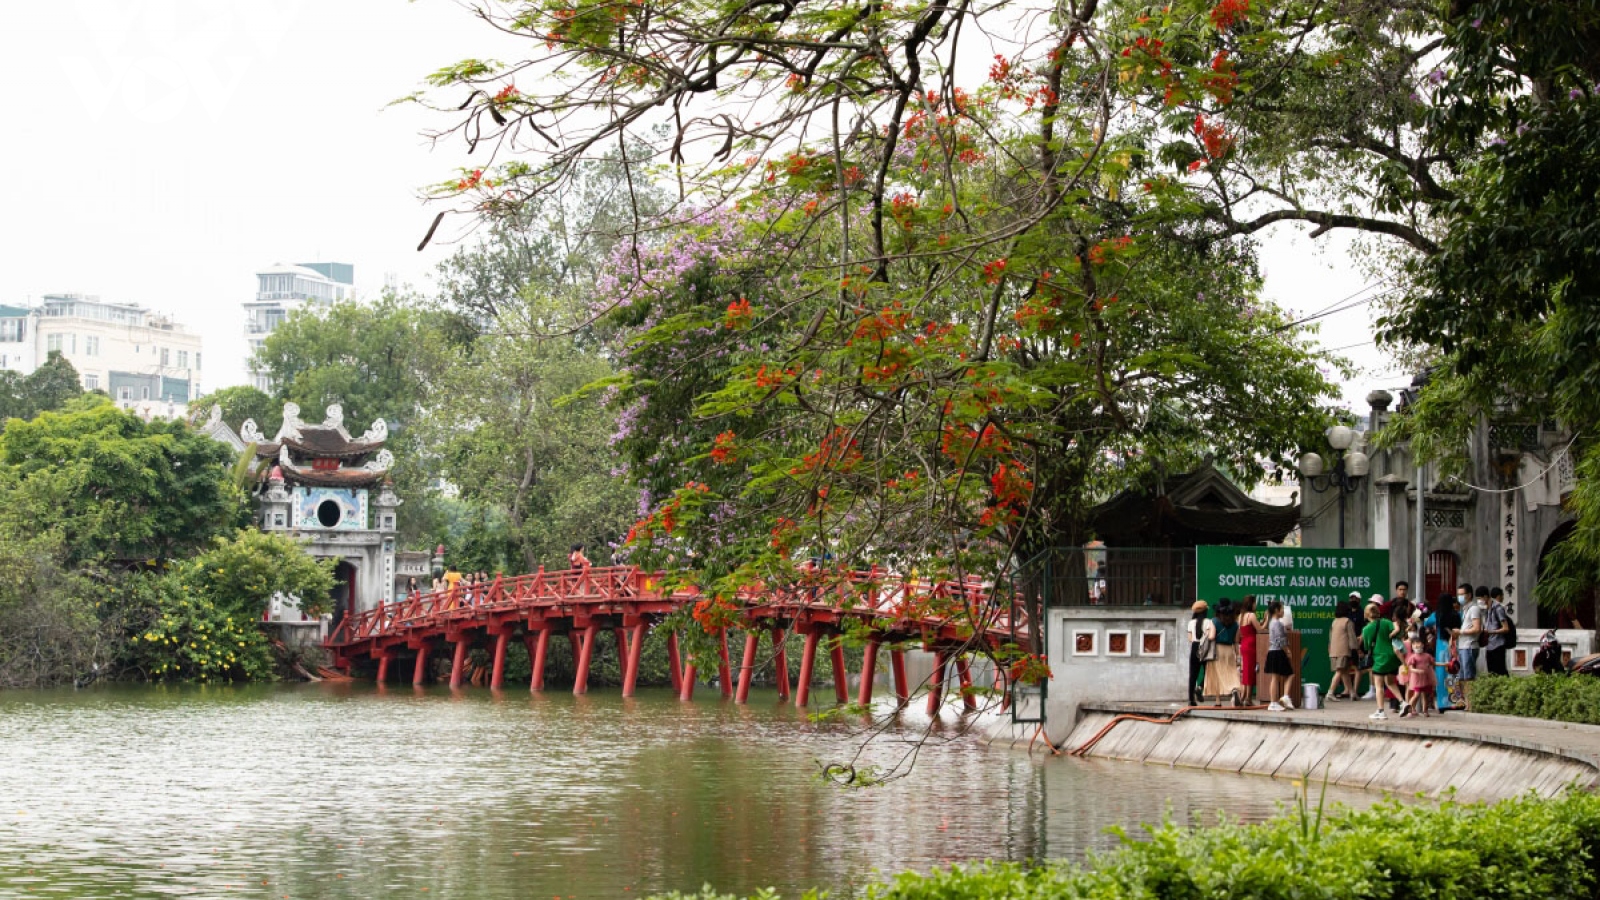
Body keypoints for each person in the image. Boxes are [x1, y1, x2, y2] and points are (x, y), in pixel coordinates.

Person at [1362, 601, 1401, 720]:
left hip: (1379, 658)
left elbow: (1367, 647)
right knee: (1390, 682)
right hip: (1392, 656)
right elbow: (1395, 629)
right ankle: (1403, 702)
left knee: (1379, 685)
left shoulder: (1366, 629)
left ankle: (1380, 711)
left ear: (1366, 614)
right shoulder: (1386, 622)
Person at [1424, 592, 1460, 711]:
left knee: (1441, 674)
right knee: (1453, 673)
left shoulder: (1437, 615)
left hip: (1441, 647)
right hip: (1454, 646)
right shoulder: (1457, 614)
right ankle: (1455, 701)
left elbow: (1426, 623)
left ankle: (1443, 704)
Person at [1204, 598, 1243, 705]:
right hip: (1230, 650)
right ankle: (1235, 690)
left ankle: (1218, 701)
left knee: (1216, 674)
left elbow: (1211, 636)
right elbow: (1236, 641)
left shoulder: (1214, 621)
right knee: (1231, 672)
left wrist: (1206, 634)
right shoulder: (1235, 624)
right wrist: (1238, 655)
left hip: (1217, 650)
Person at [1263, 600, 1295, 711]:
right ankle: (1282, 698)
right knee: (1290, 674)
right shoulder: (1277, 623)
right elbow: (1280, 640)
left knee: (1275, 678)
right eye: (1282, 609)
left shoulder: (1272, 622)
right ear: (1276, 610)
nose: (1283, 612)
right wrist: (1287, 651)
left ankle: (1276, 701)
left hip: (1273, 652)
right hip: (1277, 652)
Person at [1327, 598, 1361, 700]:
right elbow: (1352, 637)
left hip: (1334, 650)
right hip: (1344, 650)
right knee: (1340, 671)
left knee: (1345, 671)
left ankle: (1352, 693)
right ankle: (1330, 692)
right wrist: (1356, 648)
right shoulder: (1348, 621)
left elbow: (1330, 637)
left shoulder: (1334, 622)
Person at [1458, 584, 1487, 691]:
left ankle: (1470, 703)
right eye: (1458, 594)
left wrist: (1460, 632)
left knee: (1469, 676)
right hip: (1462, 646)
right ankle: (1465, 701)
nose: (1459, 597)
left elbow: (1477, 628)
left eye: (1462, 594)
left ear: (1469, 595)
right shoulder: (1465, 609)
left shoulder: (1474, 609)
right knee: (1462, 676)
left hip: (1469, 645)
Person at [1404, 629, 1438, 717]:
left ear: (1423, 644)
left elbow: (1433, 663)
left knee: (1425, 695)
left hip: (1426, 678)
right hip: (1417, 679)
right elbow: (1410, 668)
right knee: (1417, 694)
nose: (1417, 646)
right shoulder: (1413, 657)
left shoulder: (1427, 656)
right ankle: (1408, 709)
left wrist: (1444, 664)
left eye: (1418, 643)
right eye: (1414, 644)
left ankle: (1425, 710)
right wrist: (1417, 671)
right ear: (1412, 646)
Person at [1188, 600, 1214, 706]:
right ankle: (1200, 687)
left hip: (1194, 647)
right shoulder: (1208, 622)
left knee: (1193, 674)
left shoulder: (1191, 623)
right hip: (1205, 648)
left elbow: (1189, 638)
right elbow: (1208, 636)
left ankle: (1191, 699)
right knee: (1208, 671)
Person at [1237, 595, 1261, 704]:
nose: (1256, 605)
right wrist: (1266, 620)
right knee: (1250, 671)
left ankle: (1244, 696)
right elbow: (1259, 629)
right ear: (1251, 604)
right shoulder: (1251, 615)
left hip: (1244, 644)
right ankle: (1248, 698)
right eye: (1255, 603)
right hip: (1252, 645)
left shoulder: (1241, 616)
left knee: (1245, 671)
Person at [1486, 586, 1512, 676]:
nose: (1503, 598)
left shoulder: (1498, 608)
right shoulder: (1489, 609)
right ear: (1498, 596)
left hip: (1498, 645)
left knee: (1500, 671)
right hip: (1489, 645)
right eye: (1502, 596)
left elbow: (1506, 628)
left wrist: (1491, 632)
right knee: (1492, 672)